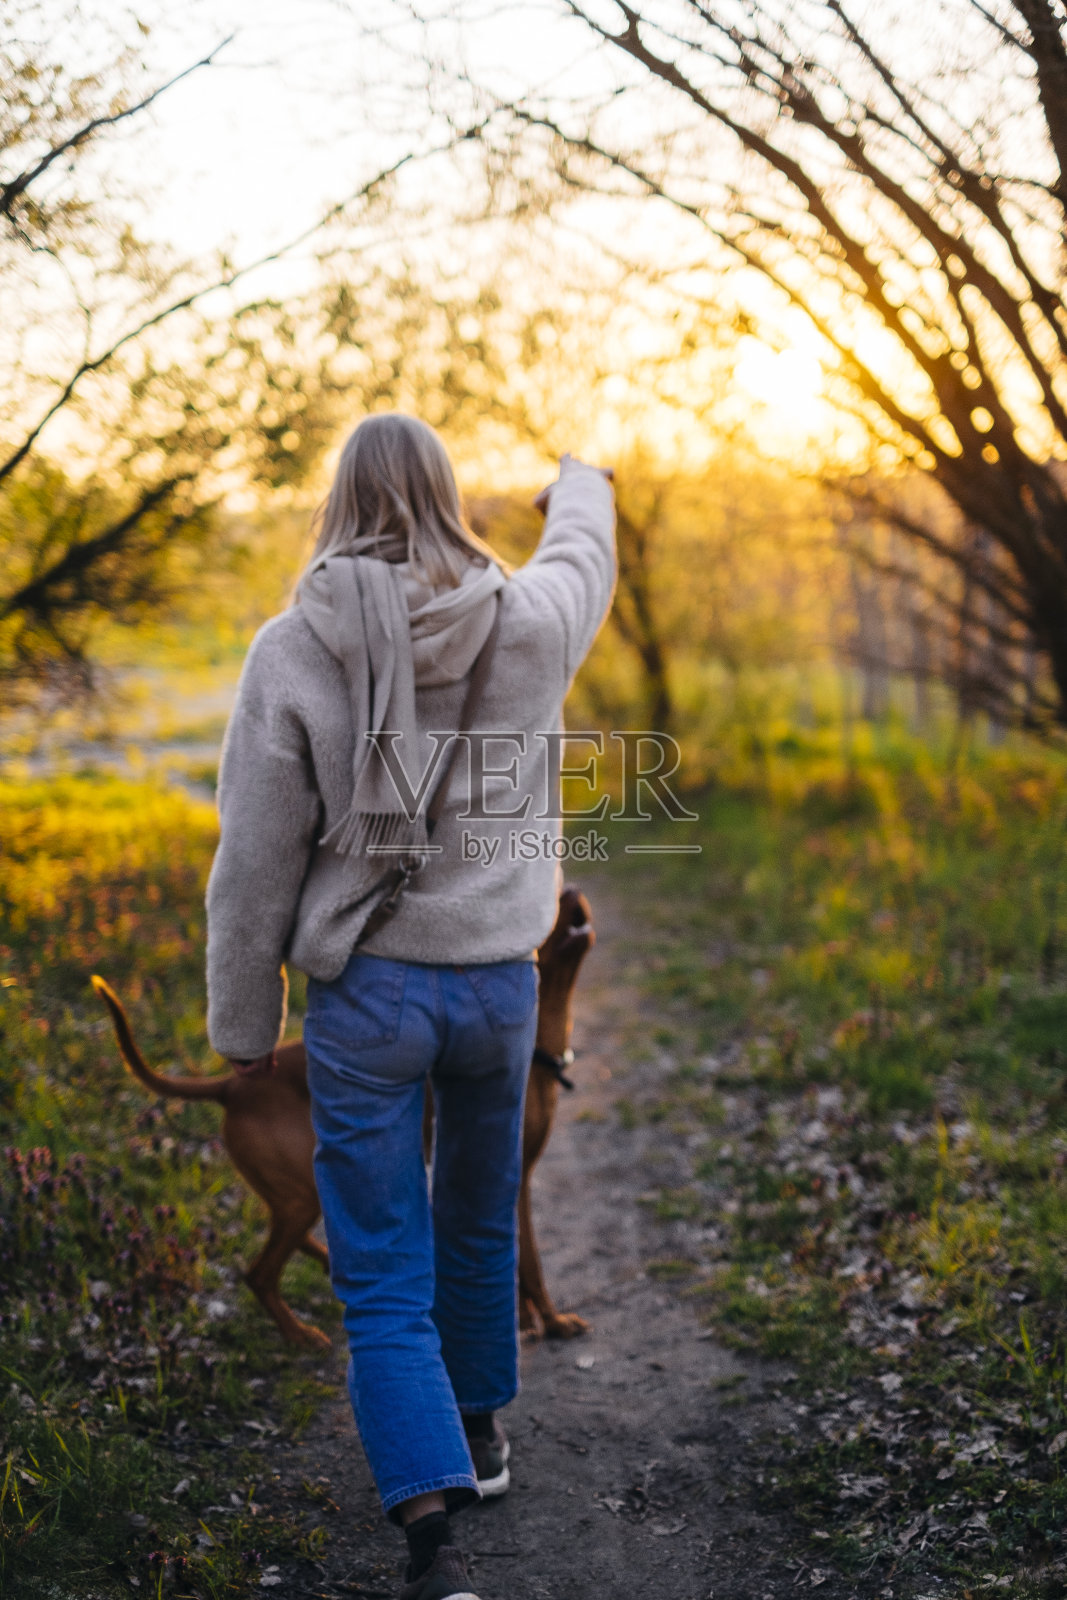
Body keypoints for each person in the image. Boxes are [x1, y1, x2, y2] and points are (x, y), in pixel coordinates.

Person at [205, 412, 615, 1600]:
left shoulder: (292, 648)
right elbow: (580, 556)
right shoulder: (528, 623)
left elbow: (255, 860)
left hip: (366, 994)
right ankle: (481, 1434)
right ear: (445, 496)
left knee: (380, 1267)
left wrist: (242, 1026)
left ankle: (430, 1529)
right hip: (495, 986)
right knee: (475, 1220)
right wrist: (577, 482)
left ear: (340, 499)